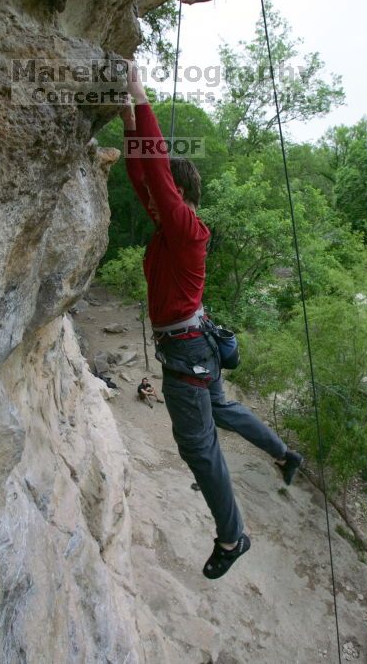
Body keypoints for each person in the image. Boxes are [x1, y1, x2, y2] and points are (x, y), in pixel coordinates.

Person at [120, 60, 303, 579]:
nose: (152, 199)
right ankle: (284, 453)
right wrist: (127, 114)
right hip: (198, 344)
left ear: (174, 197)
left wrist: (141, 94)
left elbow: (154, 172)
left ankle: (232, 536)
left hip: (188, 353)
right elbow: (142, 173)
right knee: (221, 409)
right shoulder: (170, 227)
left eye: (162, 195)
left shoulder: (185, 230)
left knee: (198, 448)